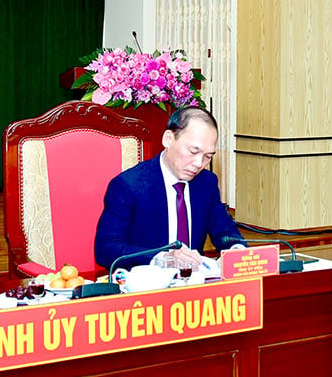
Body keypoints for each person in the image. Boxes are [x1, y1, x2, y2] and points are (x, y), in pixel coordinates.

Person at [95, 106, 243, 269]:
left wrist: (236, 251)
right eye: (193, 151)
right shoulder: (129, 185)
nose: (199, 163)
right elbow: (105, 249)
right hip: (147, 284)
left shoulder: (206, 183)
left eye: (208, 156)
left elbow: (225, 232)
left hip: (194, 286)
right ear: (168, 139)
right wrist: (163, 258)